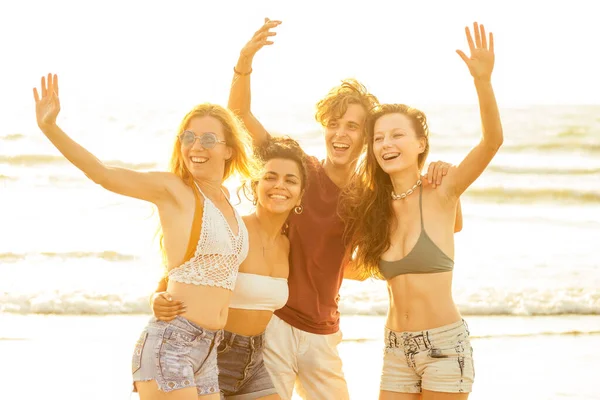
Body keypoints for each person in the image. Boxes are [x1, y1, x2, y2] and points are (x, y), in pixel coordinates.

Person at [226, 19, 462, 400]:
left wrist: (441, 179)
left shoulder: (369, 196)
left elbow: (439, 228)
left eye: (352, 126)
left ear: (366, 138)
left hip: (324, 331)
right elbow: (238, 116)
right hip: (277, 323)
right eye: (334, 124)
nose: (340, 134)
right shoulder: (299, 169)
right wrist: (245, 62)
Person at [33, 73, 255, 399]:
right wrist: (51, 128)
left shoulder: (229, 204)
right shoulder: (174, 189)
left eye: (208, 139)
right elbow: (104, 175)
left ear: (229, 150)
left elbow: (197, 270)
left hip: (209, 349)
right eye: (188, 137)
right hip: (171, 344)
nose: (196, 146)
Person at [339, 22, 503, 399]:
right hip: (396, 349)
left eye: (397, 135)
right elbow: (355, 269)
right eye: (378, 138)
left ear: (420, 144)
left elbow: (492, 141)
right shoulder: (374, 208)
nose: (386, 144)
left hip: (444, 347)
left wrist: (483, 81)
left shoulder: (443, 191)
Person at [153, 137, 309, 400]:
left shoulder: (288, 245)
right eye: (270, 177)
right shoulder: (234, 231)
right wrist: (157, 298)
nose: (279, 186)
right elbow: (178, 275)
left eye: (290, 180)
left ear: (300, 195)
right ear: (255, 185)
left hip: (255, 359)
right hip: (212, 353)